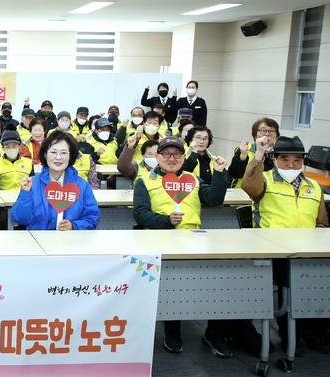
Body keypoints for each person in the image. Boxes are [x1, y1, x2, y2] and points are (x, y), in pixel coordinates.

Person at [133, 135, 228, 355]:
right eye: (166, 153)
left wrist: (220, 174)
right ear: (158, 157)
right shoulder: (144, 181)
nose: (171, 158)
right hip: (160, 239)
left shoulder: (193, 179)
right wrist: (166, 221)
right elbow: (140, 214)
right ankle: (172, 329)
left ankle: (214, 332)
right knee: (171, 285)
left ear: (184, 157)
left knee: (218, 281)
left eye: (177, 154)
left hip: (194, 238)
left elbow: (214, 199)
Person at [241, 135, 329, 354]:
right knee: (290, 279)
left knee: (321, 277)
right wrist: (258, 155)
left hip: (307, 251)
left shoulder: (314, 187)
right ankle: (291, 335)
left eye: (297, 160)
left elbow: (321, 223)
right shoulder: (265, 180)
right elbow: (248, 186)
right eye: (285, 159)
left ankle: (314, 331)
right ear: (275, 160)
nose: (291, 165)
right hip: (274, 250)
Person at [11, 130, 100, 230]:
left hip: (70, 239)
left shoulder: (82, 186)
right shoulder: (32, 183)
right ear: (45, 154)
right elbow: (20, 219)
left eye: (63, 153)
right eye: (53, 152)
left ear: (70, 156)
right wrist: (26, 194)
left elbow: (92, 218)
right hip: (38, 238)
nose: (58, 157)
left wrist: (73, 226)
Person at [228, 117, 280, 188]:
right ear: (255, 135)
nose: (267, 134)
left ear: (277, 135)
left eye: (271, 131)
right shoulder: (246, 148)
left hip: (273, 192)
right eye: (263, 130)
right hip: (245, 191)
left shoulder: (281, 152)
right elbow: (235, 174)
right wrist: (243, 157)